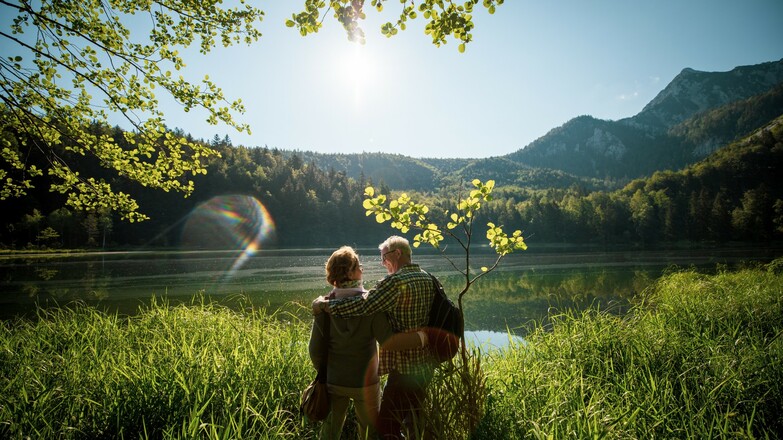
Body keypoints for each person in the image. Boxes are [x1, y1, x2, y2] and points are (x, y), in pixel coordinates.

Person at [313, 236, 436, 439]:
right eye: (359, 266)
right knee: (379, 429)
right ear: (351, 272)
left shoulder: (325, 307)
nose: (380, 263)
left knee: (335, 430)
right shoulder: (427, 279)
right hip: (381, 378)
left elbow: (315, 349)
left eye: (384, 257)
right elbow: (387, 340)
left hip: (342, 378)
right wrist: (424, 337)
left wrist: (325, 371)